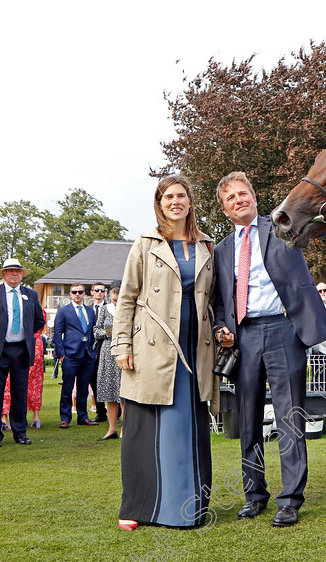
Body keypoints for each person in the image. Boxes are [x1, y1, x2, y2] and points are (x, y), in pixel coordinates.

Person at [213, 171, 326, 528]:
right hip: (244, 337)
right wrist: (222, 327)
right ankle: (254, 495)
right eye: (231, 198)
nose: (239, 200)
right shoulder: (220, 250)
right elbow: (220, 299)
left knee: (289, 417)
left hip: (283, 330)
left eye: (243, 193)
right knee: (247, 420)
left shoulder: (283, 227)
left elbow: (319, 218)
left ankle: (291, 499)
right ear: (225, 210)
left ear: (254, 197)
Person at [112, 175, 218, 530]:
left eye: (181, 195)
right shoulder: (144, 244)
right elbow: (126, 297)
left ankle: (189, 507)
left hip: (194, 351)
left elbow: (214, 299)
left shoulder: (207, 245)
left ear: (190, 201)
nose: (175, 201)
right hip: (151, 349)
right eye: (168, 196)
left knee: (187, 430)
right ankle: (137, 508)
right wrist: (121, 345)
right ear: (159, 204)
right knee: (144, 430)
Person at [0, 258, 45, 448]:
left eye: (18, 272)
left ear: (22, 275)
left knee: (20, 393)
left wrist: (27, 334)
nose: (14, 274)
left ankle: (20, 432)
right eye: (10, 271)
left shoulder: (30, 294)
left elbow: (38, 320)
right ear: (3, 274)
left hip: (20, 349)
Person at [54, 283, 99, 428]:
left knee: (84, 388)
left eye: (80, 292)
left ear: (85, 293)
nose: (77, 294)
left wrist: (94, 352)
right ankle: (65, 418)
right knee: (67, 387)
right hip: (70, 355)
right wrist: (61, 354)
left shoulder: (90, 312)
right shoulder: (63, 311)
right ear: (70, 294)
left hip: (88, 354)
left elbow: (93, 333)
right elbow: (57, 334)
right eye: (75, 292)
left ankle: (83, 416)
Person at [2, 308, 47, 429]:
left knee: (9, 380)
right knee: (34, 381)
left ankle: (5, 417)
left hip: (19, 341)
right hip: (35, 343)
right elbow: (41, 325)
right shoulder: (39, 309)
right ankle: (36, 416)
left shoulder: (14, 307)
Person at [94, 285, 123, 441]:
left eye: (119, 300)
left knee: (123, 394)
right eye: (114, 300)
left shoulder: (129, 308)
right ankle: (112, 429)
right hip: (107, 351)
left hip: (124, 351)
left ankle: (126, 429)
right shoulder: (105, 309)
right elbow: (96, 331)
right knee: (109, 392)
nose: (116, 303)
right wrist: (106, 332)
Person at [89, 282, 109, 422]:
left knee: (110, 379)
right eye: (97, 290)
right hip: (90, 350)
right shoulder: (87, 309)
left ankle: (117, 411)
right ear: (92, 292)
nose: (99, 292)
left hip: (107, 347)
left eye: (102, 290)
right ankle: (101, 412)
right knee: (94, 381)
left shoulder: (110, 308)